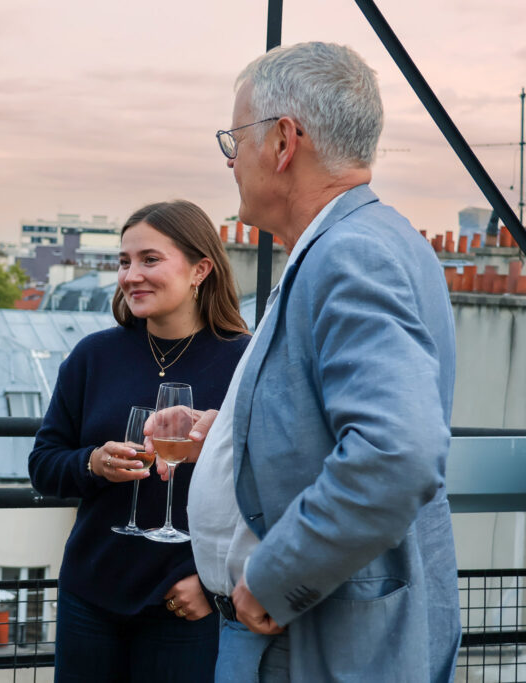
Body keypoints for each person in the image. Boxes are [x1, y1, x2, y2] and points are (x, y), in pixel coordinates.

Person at [182, 42, 460, 681]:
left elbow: (398, 451)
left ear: (284, 142)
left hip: (309, 641)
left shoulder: (349, 253)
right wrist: (231, 437)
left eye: (236, 139)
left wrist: (280, 577)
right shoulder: (368, 239)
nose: (231, 161)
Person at [29, 200, 249, 682]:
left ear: (200, 270)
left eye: (150, 260)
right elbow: (43, 465)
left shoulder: (245, 363)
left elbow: (264, 490)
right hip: (90, 596)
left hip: (184, 603)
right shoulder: (94, 356)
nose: (131, 276)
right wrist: (92, 463)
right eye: (124, 261)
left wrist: (213, 585)